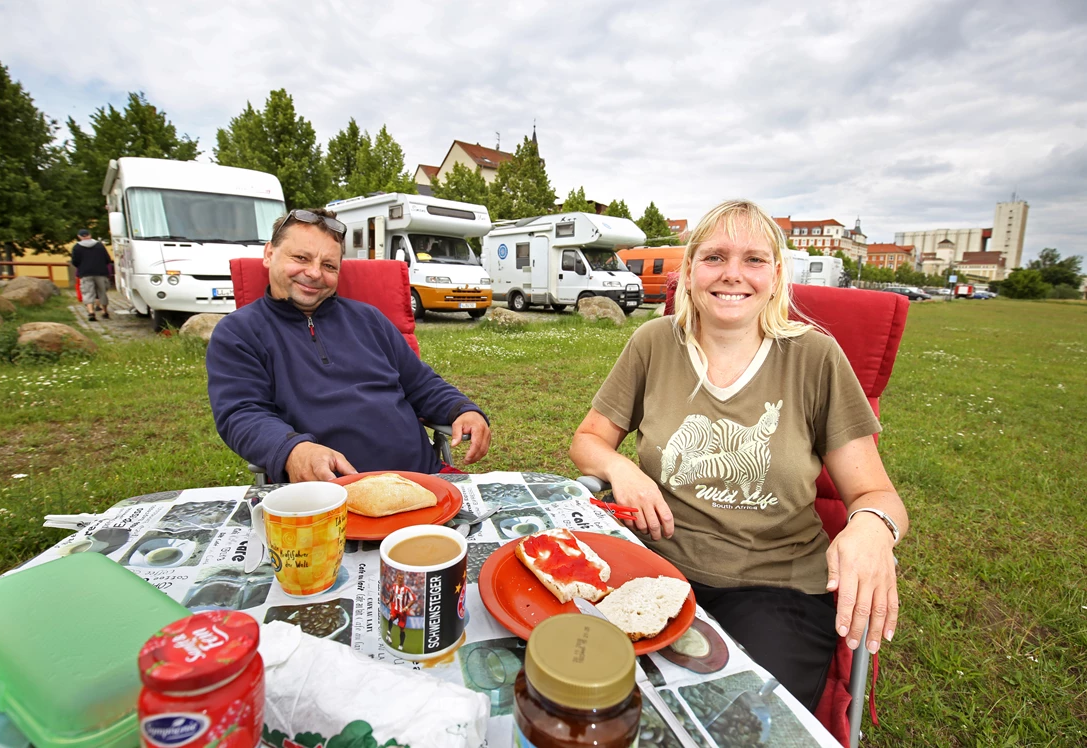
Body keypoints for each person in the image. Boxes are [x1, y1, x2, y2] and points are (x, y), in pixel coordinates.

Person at [569, 199, 908, 711]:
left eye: (753, 259)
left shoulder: (814, 357)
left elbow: (875, 493)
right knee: (584, 688)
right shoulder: (654, 342)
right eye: (714, 257)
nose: (733, 275)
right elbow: (587, 440)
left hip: (777, 584)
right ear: (688, 272)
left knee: (738, 718)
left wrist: (872, 528)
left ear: (776, 274)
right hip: (653, 566)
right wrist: (622, 468)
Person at [206, 208, 491, 483]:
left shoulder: (368, 319)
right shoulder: (239, 332)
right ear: (269, 254)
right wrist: (292, 450)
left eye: (329, 265)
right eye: (301, 258)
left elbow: (421, 384)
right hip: (329, 496)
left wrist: (461, 408)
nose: (315, 273)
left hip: (422, 479)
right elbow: (242, 413)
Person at [71, 229, 112, 321]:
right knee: (102, 292)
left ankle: (91, 312)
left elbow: (75, 261)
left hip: (85, 273)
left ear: (79, 236)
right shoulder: (100, 245)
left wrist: (82, 266)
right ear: (90, 235)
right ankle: (104, 311)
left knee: (88, 292)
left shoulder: (76, 247)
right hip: (101, 272)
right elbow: (107, 259)